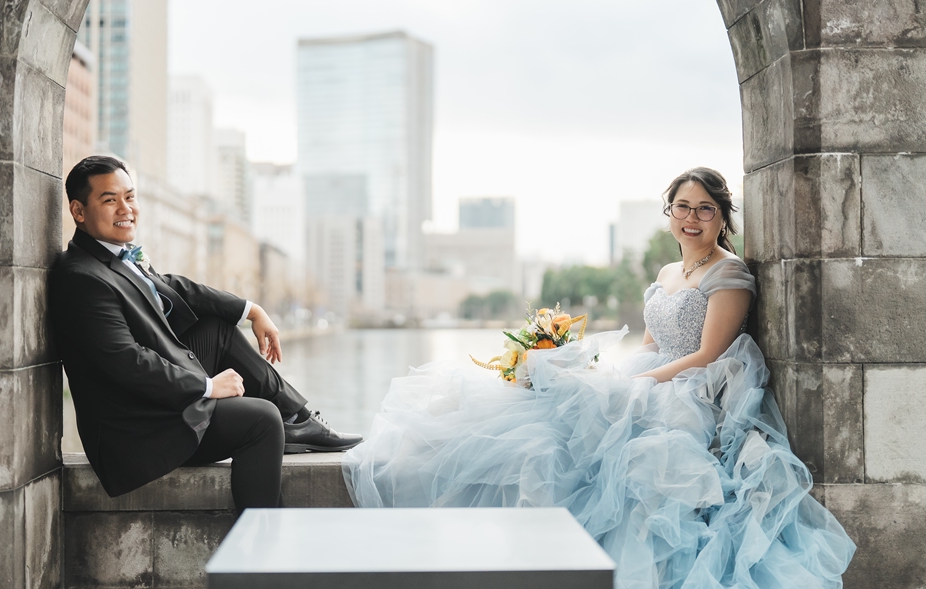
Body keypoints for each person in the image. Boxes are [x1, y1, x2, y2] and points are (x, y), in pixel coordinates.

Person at [342, 168, 854, 589]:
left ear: (722, 217)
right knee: (549, 424)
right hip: (656, 373)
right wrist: (609, 374)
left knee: (638, 466)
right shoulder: (667, 274)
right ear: (669, 214)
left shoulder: (730, 273)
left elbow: (706, 353)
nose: (692, 218)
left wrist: (640, 385)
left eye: (705, 209)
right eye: (683, 207)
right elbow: (652, 344)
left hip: (697, 391)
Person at [50, 155, 361, 514]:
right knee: (261, 420)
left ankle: (301, 421)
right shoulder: (82, 278)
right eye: (110, 200)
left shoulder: (115, 256)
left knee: (217, 329)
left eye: (130, 196)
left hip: (156, 399)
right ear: (78, 211)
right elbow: (127, 363)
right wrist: (209, 387)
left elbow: (174, 287)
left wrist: (251, 310)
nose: (126, 208)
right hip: (139, 429)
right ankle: (261, 552)